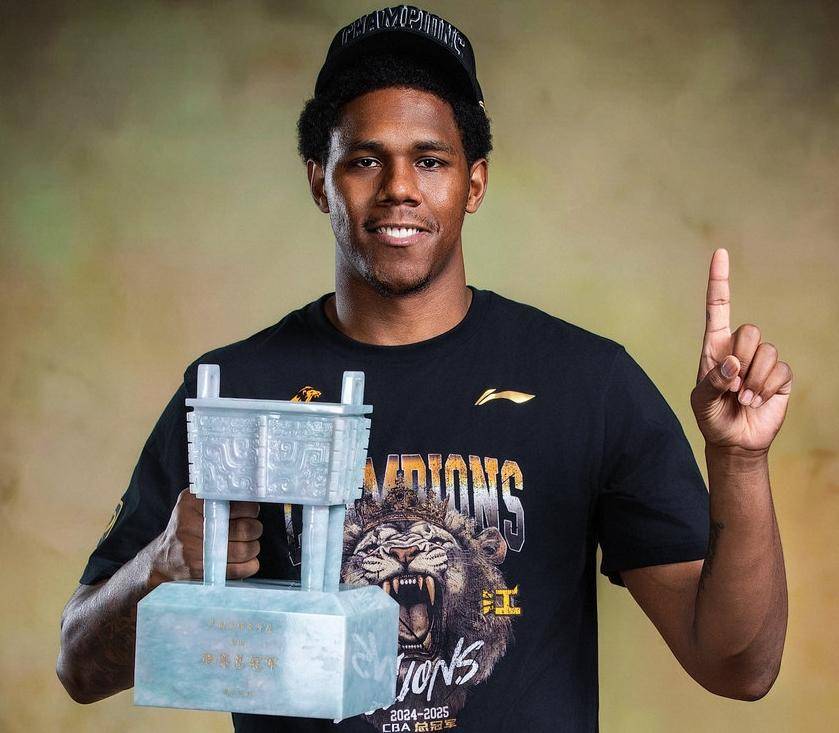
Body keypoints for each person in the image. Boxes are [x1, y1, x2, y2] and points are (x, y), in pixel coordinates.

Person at [56, 5, 792, 732]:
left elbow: (739, 668)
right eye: (364, 159)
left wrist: (739, 461)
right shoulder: (232, 390)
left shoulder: (587, 383)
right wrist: (160, 568)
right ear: (320, 181)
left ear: (473, 184)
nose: (398, 187)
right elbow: (79, 667)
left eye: (430, 160)